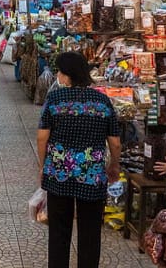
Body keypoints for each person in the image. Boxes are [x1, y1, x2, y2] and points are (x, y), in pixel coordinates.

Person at [37, 51, 121, 268]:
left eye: (60, 71)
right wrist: (114, 166)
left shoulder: (55, 99)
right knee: (90, 231)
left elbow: (42, 136)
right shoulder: (102, 100)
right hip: (92, 175)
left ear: (66, 75)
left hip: (59, 173)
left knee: (58, 230)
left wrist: (42, 165)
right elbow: (115, 142)